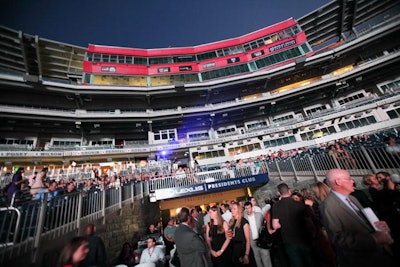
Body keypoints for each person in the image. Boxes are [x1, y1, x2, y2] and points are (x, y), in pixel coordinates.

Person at [321, 169, 396, 267]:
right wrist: (373, 239)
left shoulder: (352, 198)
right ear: (338, 182)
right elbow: (337, 238)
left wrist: (378, 225)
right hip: (362, 260)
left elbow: (363, 223)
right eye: (349, 179)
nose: (353, 181)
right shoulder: (328, 205)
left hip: (379, 255)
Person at [272, 183, 314, 267]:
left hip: (289, 240)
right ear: (289, 191)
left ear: (279, 193)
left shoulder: (276, 206)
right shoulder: (299, 204)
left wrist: (282, 224)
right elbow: (309, 222)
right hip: (303, 238)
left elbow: (275, 225)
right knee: (310, 262)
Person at [244, 201, 272, 267]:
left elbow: (264, 226)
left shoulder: (259, 215)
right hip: (252, 241)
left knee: (266, 257)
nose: (248, 210)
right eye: (246, 208)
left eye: (249, 208)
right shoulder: (244, 218)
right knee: (257, 259)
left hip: (261, 240)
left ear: (252, 207)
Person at [229, 201, 256, 267]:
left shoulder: (244, 222)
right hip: (235, 249)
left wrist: (246, 255)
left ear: (239, 210)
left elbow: (248, 240)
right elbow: (230, 235)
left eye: (234, 209)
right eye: (231, 209)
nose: (232, 210)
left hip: (243, 248)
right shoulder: (231, 222)